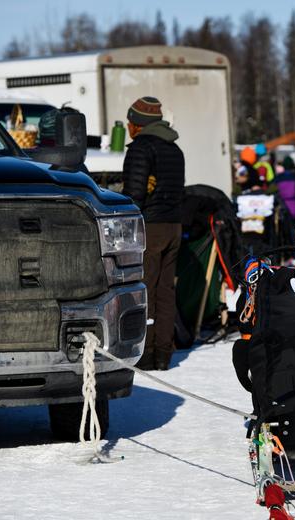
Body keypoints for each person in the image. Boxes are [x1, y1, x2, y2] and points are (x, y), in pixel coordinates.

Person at [122, 96, 185, 370]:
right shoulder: (174, 149)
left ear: (137, 124)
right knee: (165, 291)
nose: (128, 126)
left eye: (130, 121)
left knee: (145, 288)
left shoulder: (140, 148)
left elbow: (135, 195)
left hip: (151, 226)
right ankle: (163, 353)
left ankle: (145, 355)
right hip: (173, 226)